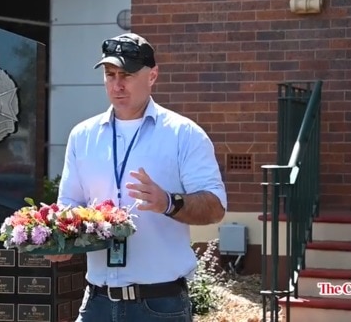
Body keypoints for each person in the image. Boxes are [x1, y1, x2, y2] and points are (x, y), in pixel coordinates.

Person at [46, 33, 227, 321]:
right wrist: (58, 238)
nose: (117, 84)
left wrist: (168, 202)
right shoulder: (82, 136)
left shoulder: (184, 134)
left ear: (152, 75)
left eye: (127, 75)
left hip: (159, 304)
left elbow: (215, 207)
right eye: (110, 74)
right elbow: (70, 203)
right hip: (97, 301)